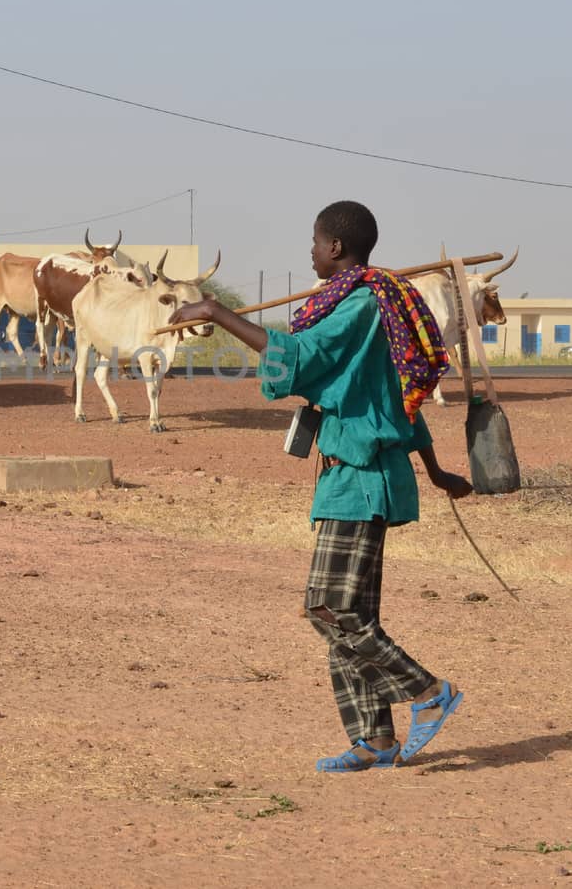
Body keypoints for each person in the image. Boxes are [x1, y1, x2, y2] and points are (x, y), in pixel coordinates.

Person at [171, 200, 474, 771]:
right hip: (355, 480)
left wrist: (216, 311)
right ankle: (375, 740)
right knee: (350, 617)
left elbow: (299, 354)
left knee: (326, 610)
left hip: (361, 482)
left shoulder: (361, 305)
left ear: (336, 247)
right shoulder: (372, 304)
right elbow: (403, 401)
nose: (309, 251)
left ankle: (429, 692)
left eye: (314, 242)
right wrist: (435, 473)